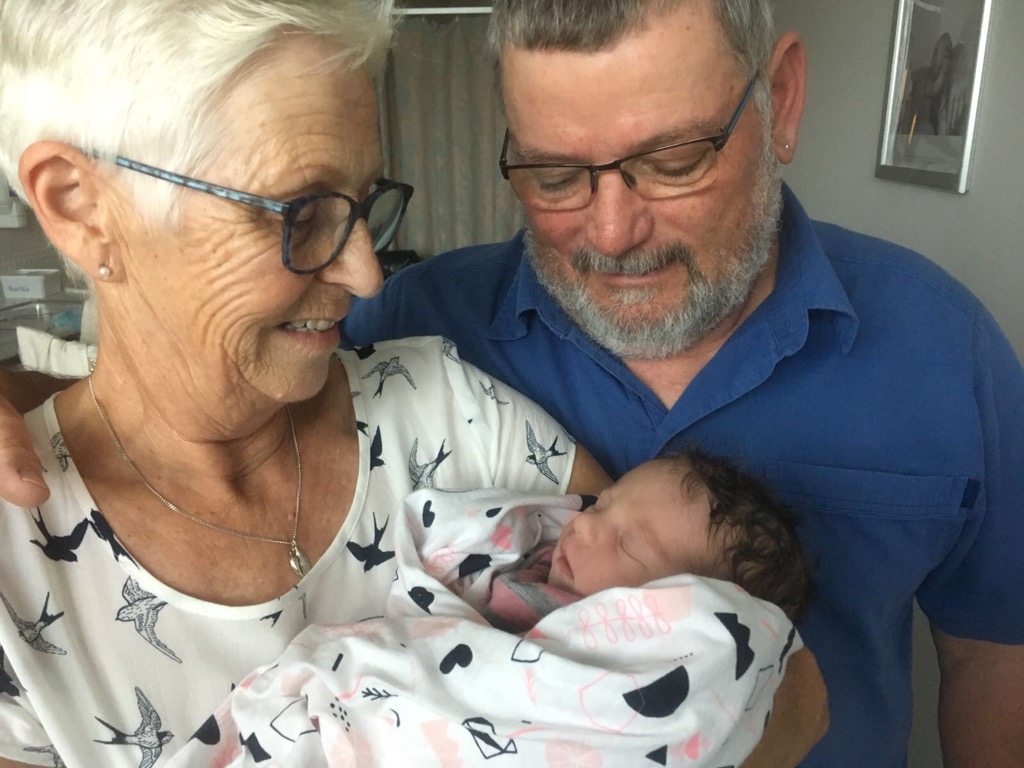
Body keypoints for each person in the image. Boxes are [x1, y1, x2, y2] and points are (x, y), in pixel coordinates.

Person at [0, 2, 826, 767]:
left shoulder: (453, 411)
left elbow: (755, 677)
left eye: (364, 204)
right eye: (299, 214)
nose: (367, 276)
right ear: (78, 206)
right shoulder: (14, 575)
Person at [339, 2, 1024, 766]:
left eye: (674, 162)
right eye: (554, 175)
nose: (611, 235)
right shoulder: (405, 329)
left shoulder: (947, 352)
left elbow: (992, 661)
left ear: (781, 102)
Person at [169, 450, 813, 766]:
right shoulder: (514, 574)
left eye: (628, 546)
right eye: (606, 502)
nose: (585, 523)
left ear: (670, 616)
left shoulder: (644, 673)